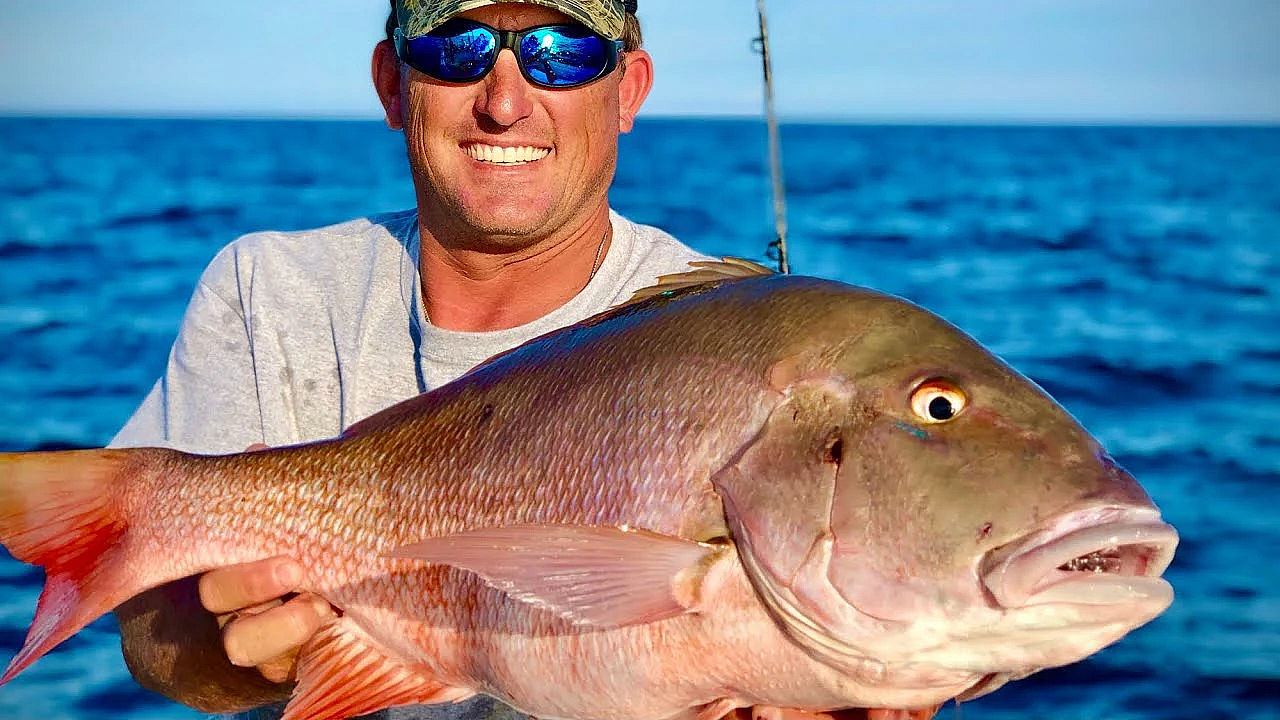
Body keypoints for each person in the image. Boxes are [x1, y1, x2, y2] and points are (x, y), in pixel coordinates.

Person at [109, 0, 709, 718]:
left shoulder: (728, 343)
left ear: (628, 90)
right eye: (456, 48)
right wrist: (240, 652)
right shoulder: (267, 290)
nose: (505, 102)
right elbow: (150, 634)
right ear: (393, 85)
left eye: (564, 50)